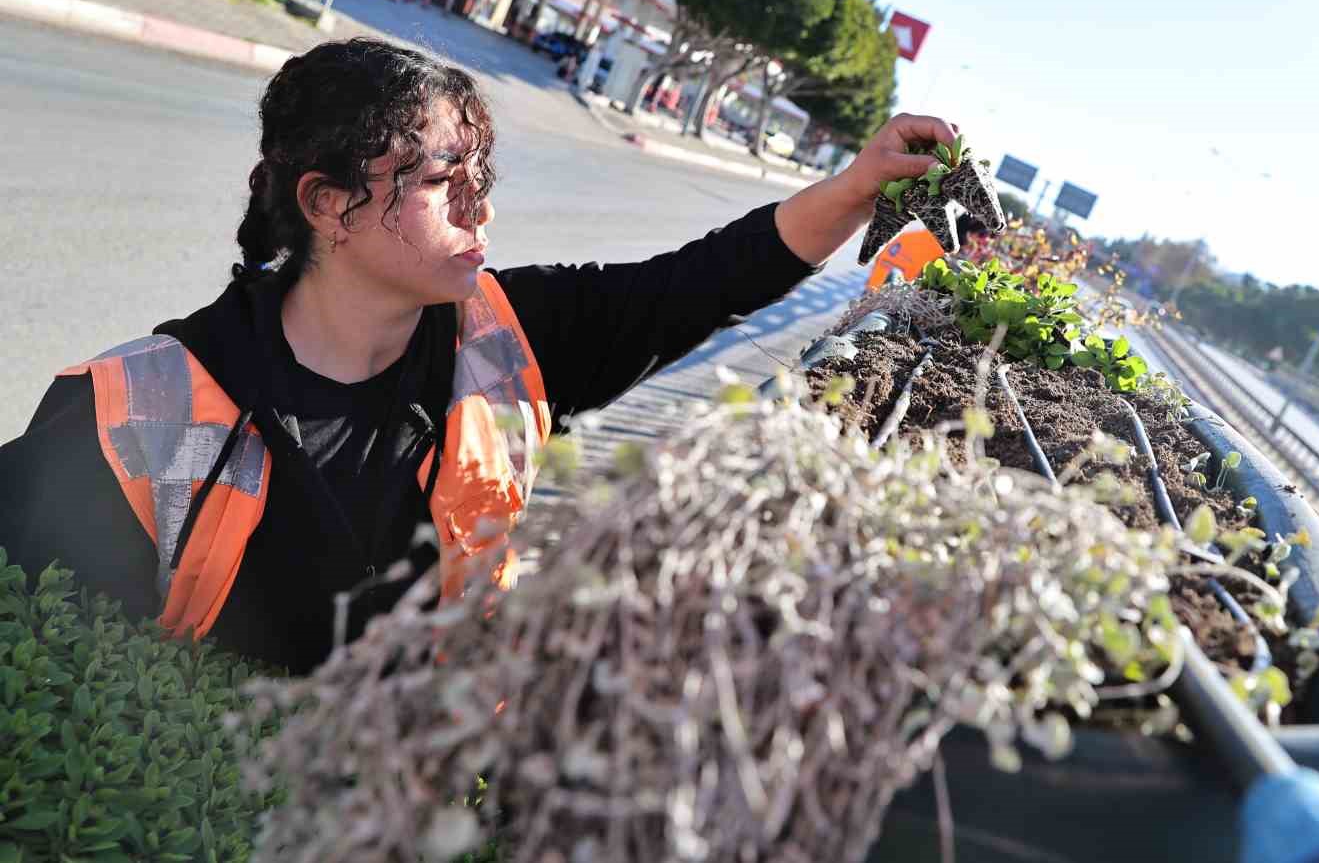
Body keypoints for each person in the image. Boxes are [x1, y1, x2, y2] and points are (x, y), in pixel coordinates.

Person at [0, 38, 950, 676]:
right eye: (445, 184)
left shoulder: (507, 340)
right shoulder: (135, 410)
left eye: (481, 181)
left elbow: (701, 283)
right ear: (327, 203)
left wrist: (859, 187)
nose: (479, 210)